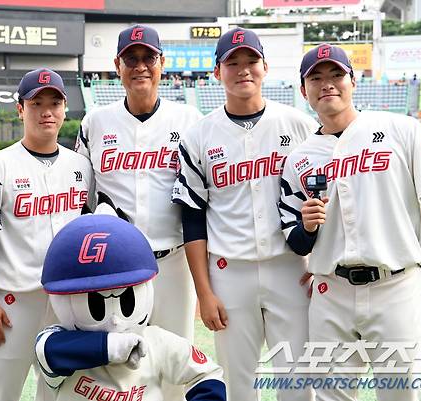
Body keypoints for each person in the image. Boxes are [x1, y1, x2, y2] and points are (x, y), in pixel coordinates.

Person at [279, 44, 421, 401]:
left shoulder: (400, 129)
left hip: (395, 286)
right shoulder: (298, 159)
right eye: (316, 77)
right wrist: (308, 227)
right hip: (331, 292)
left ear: (353, 81)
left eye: (336, 75)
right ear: (304, 90)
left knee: (399, 393)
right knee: (332, 395)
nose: (326, 84)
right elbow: (297, 242)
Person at [171, 28, 318, 401]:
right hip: (229, 274)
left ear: (265, 67)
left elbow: (326, 198)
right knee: (240, 385)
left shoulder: (299, 125)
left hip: (291, 269)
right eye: (231, 63)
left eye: (250, 61)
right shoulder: (198, 136)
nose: (243, 70)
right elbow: (192, 219)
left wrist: (321, 263)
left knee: (299, 382)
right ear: (217, 72)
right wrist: (204, 293)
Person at [0, 68, 93, 401]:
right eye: (36, 103)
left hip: (67, 302)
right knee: (0, 394)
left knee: (61, 393)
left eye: (54, 103)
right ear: (20, 109)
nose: (46, 111)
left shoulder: (81, 167)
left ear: (65, 109)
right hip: (11, 303)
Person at [76, 24, 201, 341]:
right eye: (131, 59)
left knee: (176, 360)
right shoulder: (95, 122)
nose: (140, 66)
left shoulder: (189, 120)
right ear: (117, 66)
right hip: (115, 266)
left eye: (149, 57)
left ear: (162, 63)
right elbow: (81, 198)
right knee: (122, 366)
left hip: (173, 261)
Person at [35, 212, 226, 401]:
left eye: (126, 302)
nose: (116, 320)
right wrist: (113, 347)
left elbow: (207, 374)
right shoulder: (63, 344)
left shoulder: (154, 341)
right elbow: (48, 350)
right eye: (95, 305)